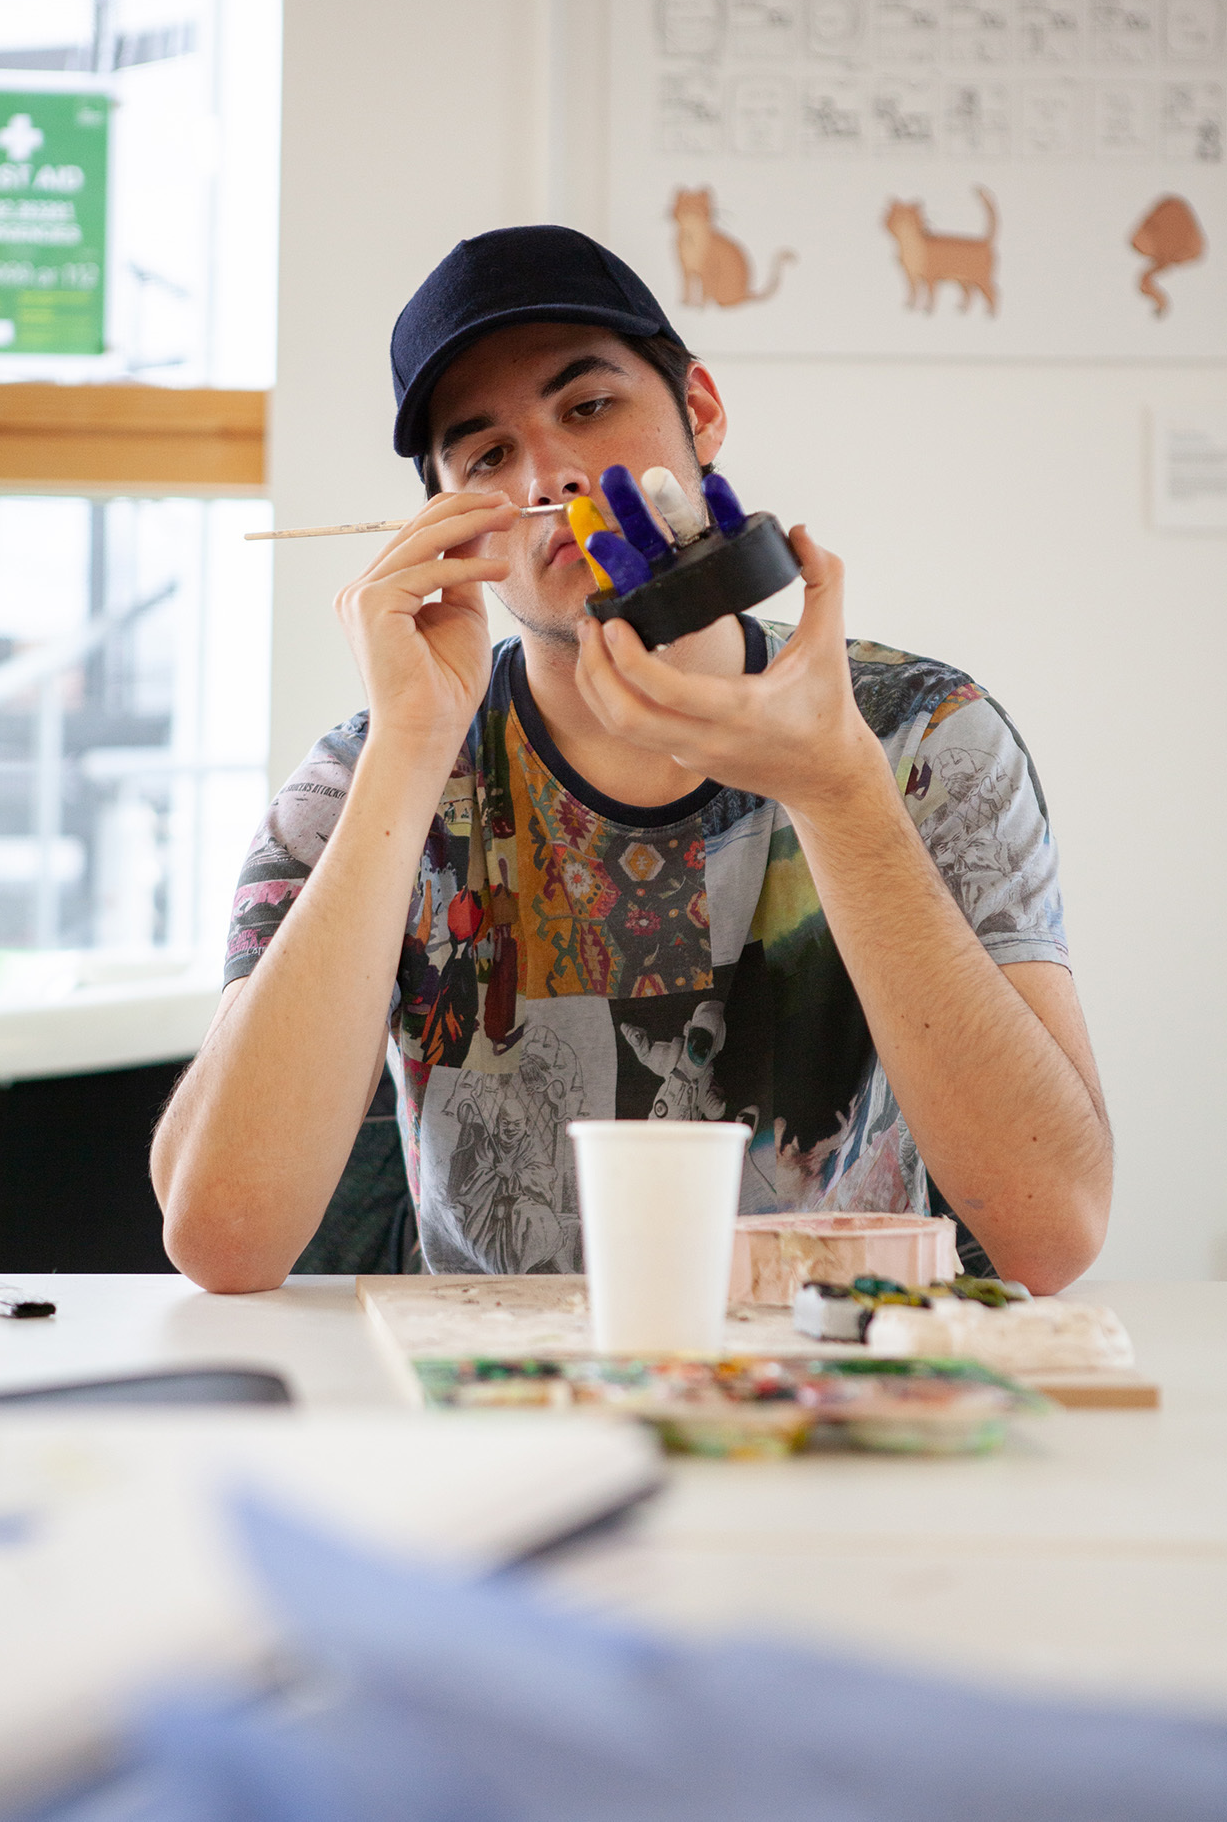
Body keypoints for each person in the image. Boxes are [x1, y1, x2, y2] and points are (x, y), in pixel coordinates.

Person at [151, 225, 1112, 1293]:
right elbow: (222, 1236)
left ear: (700, 411)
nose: (550, 473)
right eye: (487, 456)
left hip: (845, 1367)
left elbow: (1052, 1231)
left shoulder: (926, 739)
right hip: (499, 1381)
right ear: (453, 526)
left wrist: (838, 790)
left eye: (588, 406)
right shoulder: (359, 780)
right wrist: (410, 749)